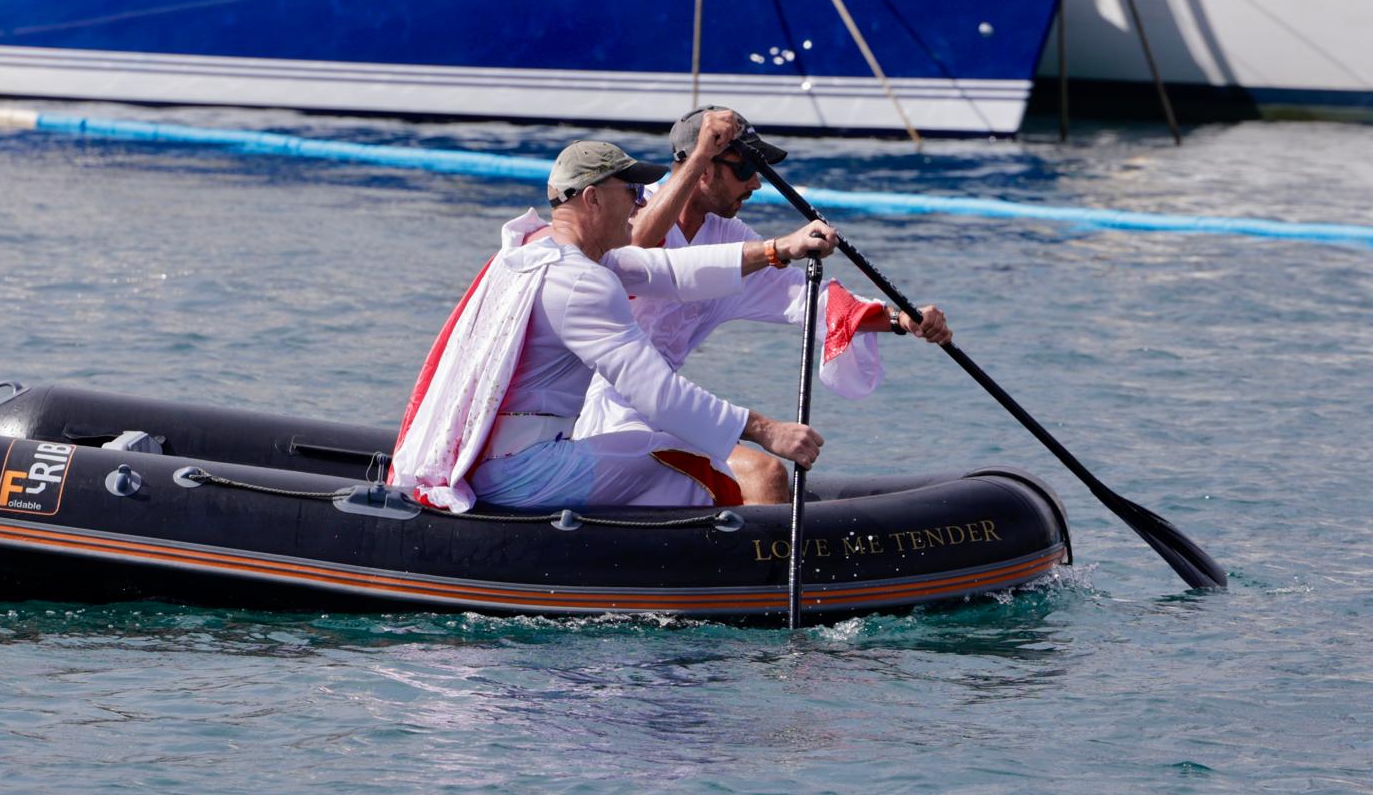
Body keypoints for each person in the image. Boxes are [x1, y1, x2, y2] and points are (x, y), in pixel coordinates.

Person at [389, 139, 840, 513]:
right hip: (523, 472)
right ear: (593, 198)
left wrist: (780, 248)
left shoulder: (532, 248)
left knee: (662, 455)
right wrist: (765, 429)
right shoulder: (581, 282)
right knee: (712, 469)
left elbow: (673, 271)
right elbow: (659, 394)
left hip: (487, 456)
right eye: (631, 190)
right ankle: (730, 580)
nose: (642, 202)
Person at [574, 106, 952, 504]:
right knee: (764, 473)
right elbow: (637, 250)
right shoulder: (628, 213)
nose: (756, 183)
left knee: (763, 474)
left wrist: (900, 319)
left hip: (665, 409)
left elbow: (809, 298)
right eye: (744, 170)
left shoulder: (728, 236)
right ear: (703, 170)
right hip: (601, 416)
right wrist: (702, 151)